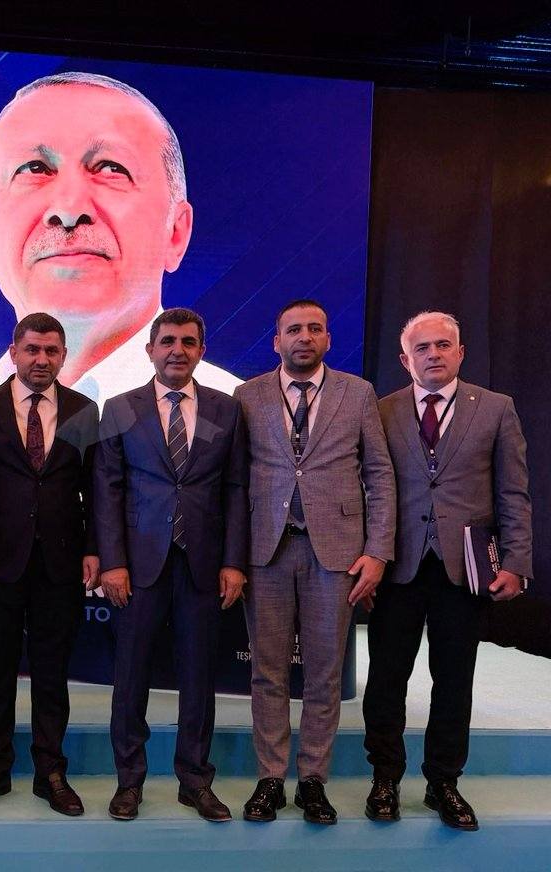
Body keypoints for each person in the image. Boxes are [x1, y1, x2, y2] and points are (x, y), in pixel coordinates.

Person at [0, 72, 241, 408]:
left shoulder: (241, 418)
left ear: (176, 232)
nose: (69, 209)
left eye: (110, 169)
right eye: (34, 169)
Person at [362, 311, 532, 831]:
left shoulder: (497, 408)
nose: (433, 354)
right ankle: (385, 777)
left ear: (460, 353)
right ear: (405, 359)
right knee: (386, 678)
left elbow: (513, 492)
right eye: (422, 348)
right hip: (398, 566)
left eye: (443, 345)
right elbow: (367, 488)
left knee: (454, 679)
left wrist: (517, 562)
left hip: (465, 570)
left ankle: (444, 783)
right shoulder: (381, 410)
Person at [233, 299, 395, 825]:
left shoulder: (358, 393)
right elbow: (235, 480)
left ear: (328, 338)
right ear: (276, 340)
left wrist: (377, 550)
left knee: (324, 674)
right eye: (294, 329)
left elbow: (380, 474)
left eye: (315, 329)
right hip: (266, 551)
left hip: (337, 553)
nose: (304, 337)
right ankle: (270, 779)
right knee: (267, 673)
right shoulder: (247, 395)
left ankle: (312, 782)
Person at [94, 307, 248, 822]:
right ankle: (129, 782)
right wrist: (112, 562)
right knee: (130, 676)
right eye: (168, 341)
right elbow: (107, 490)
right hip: (138, 566)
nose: (177, 350)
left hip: (203, 563)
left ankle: (195, 781)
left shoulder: (227, 409)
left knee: (199, 677)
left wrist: (234, 562)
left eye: (187, 342)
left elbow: (235, 489)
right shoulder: (120, 407)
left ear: (201, 350)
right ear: (150, 350)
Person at [0, 312, 99, 816]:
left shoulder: (84, 410)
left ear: (63, 356)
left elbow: (96, 487)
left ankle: (50, 771)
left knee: (52, 673)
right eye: (32, 349)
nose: (41, 359)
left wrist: (94, 548)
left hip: (60, 564)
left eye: (51, 351)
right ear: (14, 352)